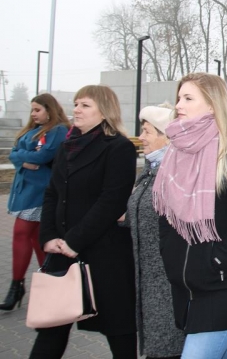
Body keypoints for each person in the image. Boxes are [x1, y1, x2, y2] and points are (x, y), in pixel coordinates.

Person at [155, 73, 227, 359]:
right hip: (186, 287)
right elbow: (166, 212)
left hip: (225, 284)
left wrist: (216, 261)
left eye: (188, 98)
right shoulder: (175, 152)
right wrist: (169, 254)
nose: (178, 104)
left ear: (213, 105)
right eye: (179, 97)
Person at [33, 85, 138, 358]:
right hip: (62, 251)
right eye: (76, 103)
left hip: (104, 253)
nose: (76, 110)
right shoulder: (66, 147)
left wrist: (74, 241)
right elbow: (52, 193)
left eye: (85, 105)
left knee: (119, 330)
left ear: (104, 111)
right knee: (51, 328)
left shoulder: (119, 147)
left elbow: (112, 201)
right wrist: (48, 236)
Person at [123, 104, 185, 359]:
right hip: (149, 279)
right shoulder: (149, 171)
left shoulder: (175, 173)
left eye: (147, 131)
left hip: (167, 283)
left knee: (168, 348)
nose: (141, 137)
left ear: (166, 137)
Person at [2, 94, 70, 312]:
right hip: (25, 192)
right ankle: (47, 285)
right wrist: (24, 160)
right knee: (36, 238)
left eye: (37, 110)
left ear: (49, 110)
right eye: (32, 110)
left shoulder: (58, 130)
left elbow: (43, 157)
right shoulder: (32, 130)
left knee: (23, 234)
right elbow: (13, 155)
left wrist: (22, 157)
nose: (33, 114)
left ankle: (19, 286)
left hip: (41, 192)